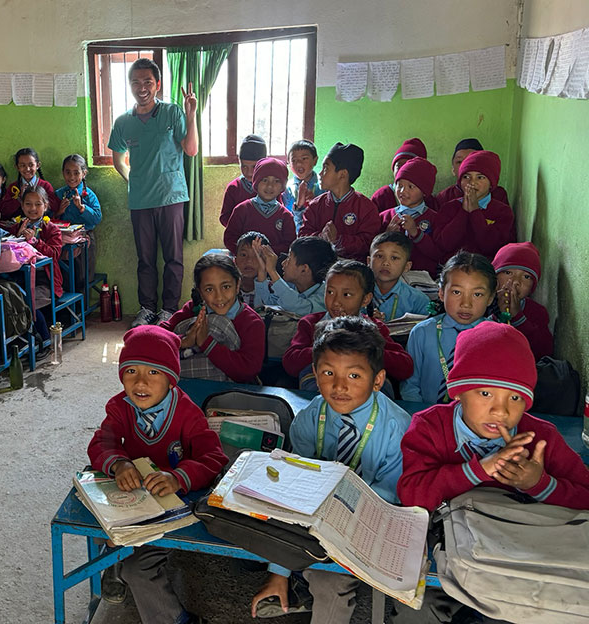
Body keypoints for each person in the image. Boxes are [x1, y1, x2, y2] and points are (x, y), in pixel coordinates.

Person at [393, 321, 589, 624]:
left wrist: (539, 484)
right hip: (448, 552)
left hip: (519, 558)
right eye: (485, 393)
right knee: (416, 610)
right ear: (458, 392)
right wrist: (478, 470)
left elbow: (585, 496)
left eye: (515, 397)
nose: (501, 411)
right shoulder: (430, 426)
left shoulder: (541, 437)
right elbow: (412, 495)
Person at [252, 317, 411, 622]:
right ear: (314, 373)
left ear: (378, 380)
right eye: (328, 373)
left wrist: (337, 515)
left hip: (369, 522)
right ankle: (289, 580)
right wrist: (278, 571)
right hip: (313, 518)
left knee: (328, 581)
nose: (339, 386)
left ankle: (310, 587)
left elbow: (388, 498)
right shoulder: (310, 418)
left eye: (354, 375)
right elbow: (295, 488)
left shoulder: (397, 428)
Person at [88, 326, 227, 624]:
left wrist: (179, 477)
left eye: (153, 372)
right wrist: (119, 464)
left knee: (137, 569)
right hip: (133, 499)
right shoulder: (119, 407)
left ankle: (172, 616)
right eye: (131, 371)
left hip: (174, 505)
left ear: (171, 378)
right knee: (100, 524)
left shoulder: (187, 413)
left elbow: (214, 458)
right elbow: (102, 442)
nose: (140, 382)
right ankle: (113, 562)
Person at [109, 58, 197, 328]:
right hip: (140, 201)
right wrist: (132, 181)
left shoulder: (172, 113)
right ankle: (147, 308)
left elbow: (191, 149)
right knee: (145, 259)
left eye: (147, 82)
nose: (142, 88)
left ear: (157, 84)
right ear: (130, 86)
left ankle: (169, 310)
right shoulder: (124, 122)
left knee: (173, 258)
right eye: (136, 82)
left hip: (171, 197)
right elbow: (118, 159)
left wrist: (191, 115)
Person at [282, 260, 413, 391]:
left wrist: (364, 350)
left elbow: (405, 367)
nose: (336, 302)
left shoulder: (375, 328)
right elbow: (290, 363)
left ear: (365, 299)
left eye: (346, 295)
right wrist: (327, 347)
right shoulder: (311, 323)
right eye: (330, 292)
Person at [400, 252, 496, 403]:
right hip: (425, 413)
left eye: (477, 294)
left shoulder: (496, 338)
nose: (466, 304)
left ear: (490, 298)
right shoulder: (422, 333)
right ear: (441, 293)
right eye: (457, 292)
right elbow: (410, 386)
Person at [160, 253, 266, 383]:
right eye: (209, 289)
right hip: (186, 386)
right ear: (200, 292)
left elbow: (248, 371)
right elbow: (155, 337)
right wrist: (182, 341)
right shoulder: (193, 309)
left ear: (237, 285)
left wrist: (206, 342)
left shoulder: (252, 322)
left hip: (232, 391)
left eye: (226, 287)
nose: (219, 297)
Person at [300, 143, 380, 261]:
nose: (320, 173)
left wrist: (338, 240)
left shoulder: (366, 207)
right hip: (318, 266)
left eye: (326, 168)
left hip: (351, 268)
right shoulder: (316, 205)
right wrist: (320, 237)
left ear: (342, 174)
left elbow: (369, 243)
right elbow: (302, 236)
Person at [435, 151, 515, 260]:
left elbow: (490, 247)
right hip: (451, 267)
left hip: (486, 267)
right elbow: (444, 244)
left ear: (491, 183)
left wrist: (475, 211)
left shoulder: (502, 212)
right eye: (466, 177)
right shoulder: (449, 208)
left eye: (480, 177)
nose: (472, 182)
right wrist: (463, 212)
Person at [379, 156, 444, 275]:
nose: (402, 191)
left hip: (423, 277)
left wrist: (416, 233)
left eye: (410, 186)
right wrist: (387, 235)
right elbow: (373, 250)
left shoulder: (435, 219)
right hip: (389, 277)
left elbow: (437, 254)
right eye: (399, 185)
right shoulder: (385, 217)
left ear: (424, 192)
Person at [491, 242, 553, 360]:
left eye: (526, 277)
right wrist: (496, 314)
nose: (516, 282)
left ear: (532, 287)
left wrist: (517, 318)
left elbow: (544, 353)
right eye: (508, 273)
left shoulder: (537, 312)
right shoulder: (480, 303)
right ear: (494, 277)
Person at [223, 157, 296, 255]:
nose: (270, 186)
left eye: (276, 181)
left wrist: (265, 251)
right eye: (265, 180)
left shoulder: (286, 216)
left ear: (282, 187)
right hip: (245, 262)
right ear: (256, 183)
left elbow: (290, 244)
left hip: (274, 263)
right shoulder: (241, 210)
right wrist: (248, 252)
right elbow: (230, 238)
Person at [4, 184, 64, 304]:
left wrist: (35, 241)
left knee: (25, 301)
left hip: (44, 280)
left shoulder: (52, 229)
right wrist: (17, 238)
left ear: (45, 206)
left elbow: (54, 254)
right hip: (19, 277)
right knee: (10, 298)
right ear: (22, 206)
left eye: (38, 204)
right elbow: (6, 251)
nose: (33, 208)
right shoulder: (16, 228)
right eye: (28, 204)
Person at [250, 235, 336, 314]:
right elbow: (265, 304)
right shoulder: (291, 285)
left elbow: (299, 308)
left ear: (304, 269)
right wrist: (262, 270)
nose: (283, 263)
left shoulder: (326, 294)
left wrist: (272, 271)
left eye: (289, 259)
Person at [54, 154, 102, 286]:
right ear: (63, 173)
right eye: (68, 172)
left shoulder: (88, 195)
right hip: (63, 239)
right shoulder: (59, 194)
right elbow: (49, 217)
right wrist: (59, 212)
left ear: (84, 173)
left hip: (84, 239)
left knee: (82, 277)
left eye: (76, 173)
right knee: (65, 277)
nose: (71, 177)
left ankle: (82, 299)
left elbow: (97, 218)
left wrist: (82, 208)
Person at [368, 232, 432, 320]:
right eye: (379, 256)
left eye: (394, 258)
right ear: (369, 261)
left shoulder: (418, 301)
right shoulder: (357, 293)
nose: (385, 263)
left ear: (407, 266)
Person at [432, 138, 510, 208]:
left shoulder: (498, 195)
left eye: (471, 161)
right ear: (453, 170)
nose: (466, 165)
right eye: (459, 162)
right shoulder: (444, 197)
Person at [219, 134, 267, 226]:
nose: (249, 172)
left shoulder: (271, 187)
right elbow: (224, 217)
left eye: (254, 167)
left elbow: (279, 213)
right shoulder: (233, 188)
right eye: (244, 166)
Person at [370, 138, 428, 213]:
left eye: (407, 167)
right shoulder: (381, 196)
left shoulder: (427, 200)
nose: (402, 170)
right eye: (398, 166)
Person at [0, 147, 59, 219]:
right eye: (22, 165)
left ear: (38, 165)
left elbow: (54, 208)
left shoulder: (45, 186)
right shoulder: (13, 188)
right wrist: (19, 198)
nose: (27, 169)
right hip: (17, 224)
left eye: (31, 165)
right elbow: (4, 211)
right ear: (17, 167)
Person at [281, 139, 323, 232]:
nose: (299, 163)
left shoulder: (323, 185)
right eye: (294, 160)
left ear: (315, 160)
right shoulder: (287, 189)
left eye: (304, 158)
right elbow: (286, 218)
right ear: (289, 163)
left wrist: (315, 203)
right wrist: (298, 206)